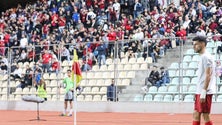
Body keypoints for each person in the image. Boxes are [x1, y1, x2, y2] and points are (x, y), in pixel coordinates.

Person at [192, 36, 216, 125]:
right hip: (201, 90)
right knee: (196, 113)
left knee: (205, 115)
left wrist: (203, 91)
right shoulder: (203, 57)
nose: (194, 46)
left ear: (202, 44)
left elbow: (208, 75)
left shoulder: (206, 57)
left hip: (205, 91)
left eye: (196, 44)